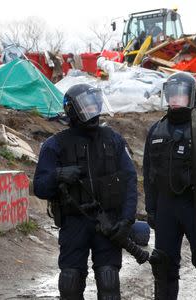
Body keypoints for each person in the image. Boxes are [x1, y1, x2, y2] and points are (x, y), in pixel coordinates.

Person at [33, 83, 138, 299]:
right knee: (70, 283)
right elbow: (40, 186)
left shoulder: (113, 140)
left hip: (108, 222)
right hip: (74, 223)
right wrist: (59, 174)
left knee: (109, 281)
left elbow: (130, 181)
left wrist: (126, 221)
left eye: (94, 106)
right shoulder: (54, 145)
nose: (91, 112)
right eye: (85, 108)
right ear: (73, 111)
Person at [143, 72, 196, 299]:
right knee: (163, 266)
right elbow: (148, 173)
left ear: (192, 96)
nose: (175, 99)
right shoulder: (156, 130)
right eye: (171, 94)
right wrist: (151, 208)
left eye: (181, 95)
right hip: (166, 207)